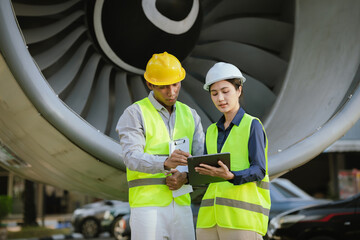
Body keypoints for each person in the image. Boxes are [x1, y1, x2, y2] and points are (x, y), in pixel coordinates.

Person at [116, 52, 204, 240]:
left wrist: (186, 177)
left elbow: (200, 160)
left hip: (181, 205)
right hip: (147, 208)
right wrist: (165, 162)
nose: (171, 91)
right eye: (164, 86)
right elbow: (131, 157)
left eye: (175, 84)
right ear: (150, 84)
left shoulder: (191, 115)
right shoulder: (134, 114)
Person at [195, 62, 271, 240]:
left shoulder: (252, 125)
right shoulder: (211, 131)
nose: (220, 98)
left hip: (242, 220)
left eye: (225, 91)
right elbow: (209, 175)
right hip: (208, 221)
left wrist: (232, 176)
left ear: (239, 90)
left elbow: (259, 170)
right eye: (214, 94)